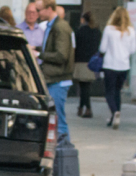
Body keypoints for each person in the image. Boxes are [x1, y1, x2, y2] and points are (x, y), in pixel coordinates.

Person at [37, 0, 72, 139]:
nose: (38, 14)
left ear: (49, 9)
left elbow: (61, 55)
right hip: (54, 77)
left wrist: (39, 54)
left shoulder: (60, 27)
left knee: (58, 120)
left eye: (39, 10)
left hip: (58, 78)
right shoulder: (52, 26)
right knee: (55, 118)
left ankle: (64, 154)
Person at [99, 7, 135, 130]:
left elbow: (102, 48)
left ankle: (115, 112)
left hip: (110, 65)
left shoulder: (109, 29)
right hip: (124, 66)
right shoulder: (131, 31)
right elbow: (133, 50)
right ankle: (116, 114)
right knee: (117, 92)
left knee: (109, 92)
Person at [73, 11, 101, 118]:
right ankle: (81, 107)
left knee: (83, 86)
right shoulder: (97, 32)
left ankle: (88, 108)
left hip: (81, 60)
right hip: (92, 61)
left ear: (83, 19)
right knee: (86, 86)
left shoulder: (79, 31)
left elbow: (75, 46)